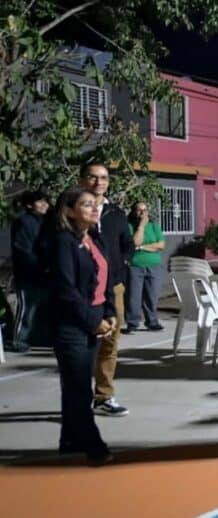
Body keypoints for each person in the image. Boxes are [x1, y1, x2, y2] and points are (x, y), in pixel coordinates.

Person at [46, 187, 117, 466]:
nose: (94, 208)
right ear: (69, 211)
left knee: (75, 386)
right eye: (86, 204)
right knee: (79, 389)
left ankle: (69, 440)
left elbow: (106, 280)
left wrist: (109, 313)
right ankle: (93, 444)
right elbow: (66, 289)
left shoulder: (95, 240)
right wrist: (92, 320)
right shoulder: (63, 242)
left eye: (95, 204)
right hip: (72, 324)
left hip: (96, 319)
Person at [80, 164, 133, 418]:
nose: (98, 182)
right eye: (93, 177)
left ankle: (103, 396)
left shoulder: (116, 213)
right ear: (82, 180)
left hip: (113, 288)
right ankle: (77, 399)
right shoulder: (71, 211)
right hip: (82, 289)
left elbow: (128, 246)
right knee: (82, 344)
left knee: (110, 342)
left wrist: (121, 265)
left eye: (103, 178)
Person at [10, 190, 49, 351]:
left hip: (43, 272)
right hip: (28, 274)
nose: (44, 205)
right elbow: (22, 250)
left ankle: (36, 338)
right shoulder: (24, 222)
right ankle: (19, 339)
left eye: (45, 201)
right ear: (29, 205)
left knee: (39, 308)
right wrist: (38, 265)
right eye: (40, 202)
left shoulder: (45, 222)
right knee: (27, 308)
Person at [123, 202, 166, 334]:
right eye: (139, 210)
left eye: (144, 210)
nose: (142, 213)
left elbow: (161, 245)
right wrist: (141, 226)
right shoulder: (129, 226)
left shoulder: (154, 226)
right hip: (136, 265)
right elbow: (135, 242)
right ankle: (132, 322)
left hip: (154, 265)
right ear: (133, 212)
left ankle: (152, 321)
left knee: (152, 295)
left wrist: (142, 247)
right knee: (133, 296)